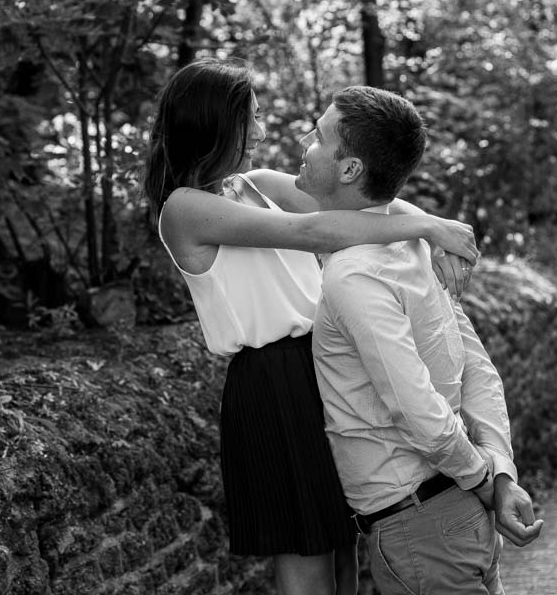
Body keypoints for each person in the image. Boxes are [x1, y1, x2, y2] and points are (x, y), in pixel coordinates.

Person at [142, 59, 480, 595]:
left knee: (345, 544)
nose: (259, 131)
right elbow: (316, 229)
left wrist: (431, 231)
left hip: (323, 366)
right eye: (247, 120)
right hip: (272, 382)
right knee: (307, 553)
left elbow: (375, 204)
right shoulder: (184, 210)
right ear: (211, 125)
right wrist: (432, 226)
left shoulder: (253, 184)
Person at [299, 85, 543, 595]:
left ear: (350, 169)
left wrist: (485, 482)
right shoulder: (412, 241)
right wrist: (500, 475)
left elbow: (419, 414)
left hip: (420, 525)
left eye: (318, 136)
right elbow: (478, 369)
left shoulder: (354, 275)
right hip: (452, 516)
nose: (305, 141)